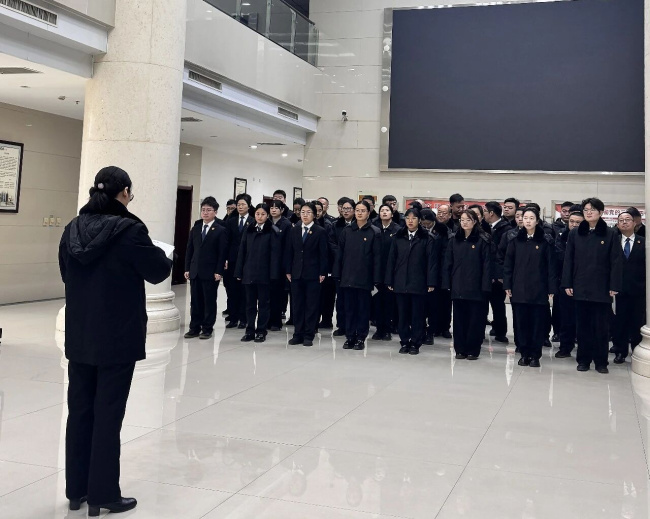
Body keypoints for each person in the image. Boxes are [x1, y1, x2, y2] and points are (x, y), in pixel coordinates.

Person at [58, 166, 172, 516]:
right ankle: (103, 494)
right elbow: (158, 271)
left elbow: (66, 274)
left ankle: (76, 490)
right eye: (130, 194)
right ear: (124, 193)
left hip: (81, 334)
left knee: (80, 411)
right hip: (117, 336)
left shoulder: (72, 229)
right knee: (108, 415)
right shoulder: (129, 230)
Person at [562, 197, 622, 373]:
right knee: (583, 327)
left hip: (602, 288)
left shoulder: (610, 234)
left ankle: (601, 362)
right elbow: (569, 260)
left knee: (601, 328)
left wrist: (614, 285)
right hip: (580, 286)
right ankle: (583, 360)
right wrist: (567, 283)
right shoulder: (575, 233)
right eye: (586, 210)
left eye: (592, 210)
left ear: (601, 212)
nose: (588, 212)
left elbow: (616, 261)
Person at [503, 207, 556, 368]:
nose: (527, 221)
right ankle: (524, 353)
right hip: (519, 289)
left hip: (539, 290)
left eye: (531, 218)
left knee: (537, 324)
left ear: (537, 221)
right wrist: (507, 284)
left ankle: (535, 355)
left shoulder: (545, 241)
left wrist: (551, 289)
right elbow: (508, 265)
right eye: (525, 218)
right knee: (521, 323)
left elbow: (551, 266)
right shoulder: (515, 240)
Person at [386, 208, 438, 355]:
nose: (410, 221)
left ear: (419, 220)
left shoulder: (427, 238)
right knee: (402, 315)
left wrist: (431, 282)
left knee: (417, 315)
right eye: (408, 218)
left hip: (418, 283)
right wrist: (390, 280)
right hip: (400, 281)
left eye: (414, 218)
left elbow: (432, 262)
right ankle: (404, 341)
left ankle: (415, 342)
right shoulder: (398, 237)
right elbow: (391, 260)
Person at [443, 210, 492, 359]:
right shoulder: (454, 239)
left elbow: (487, 266)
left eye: (468, 220)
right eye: (462, 220)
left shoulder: (483, 240)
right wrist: (447, 283)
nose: (464, 222)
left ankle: (472, 350)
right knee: (459, 320)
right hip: (458, 285)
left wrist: (485, 287)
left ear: (475, 221)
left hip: (476, 287)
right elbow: (448, 263)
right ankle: (460, 349)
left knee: (475, 320)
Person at [333, 200, 382, 350]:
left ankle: (361, 337)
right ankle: (350, 337)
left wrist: (376, 279)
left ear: (368, 213)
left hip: (365, 279)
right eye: (358, 210)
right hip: (347, 277)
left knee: (363, 310)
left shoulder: (374, 232)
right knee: (349, 309)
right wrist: (337, 274)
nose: (360, 213)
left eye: (363, 210)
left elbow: (377, 258)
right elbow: (340, 254)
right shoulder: (347, 231)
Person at [235, 203, 281, 343]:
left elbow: (275, 255)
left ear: (267, 215)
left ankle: (261, 330)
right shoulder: (249, 229)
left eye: (263, 214)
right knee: (249, 304)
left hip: (264, 274)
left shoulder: (272, 230)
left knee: (263, 304)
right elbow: (242, 251)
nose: (260, 217)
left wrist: (273, 274)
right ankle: (249, 330)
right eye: (257, 214)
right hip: (249, 272)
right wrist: (239, 271)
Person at [183, 196, 228, 340]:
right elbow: (190, 250)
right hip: (195, 270)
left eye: (209, 210)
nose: (205, 212)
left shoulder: (220, 230)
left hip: (211, 272)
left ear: (215, 212)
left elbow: (222, 253)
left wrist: (219, 271)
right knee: (195, 301)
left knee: (209, 301)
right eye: (203, 210)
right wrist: (187, 268)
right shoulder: (196, 229)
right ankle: (194, 328)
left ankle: (207, 328)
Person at [285, 202, 329, 346]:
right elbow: (289, 251)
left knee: (311, 305)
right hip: (296, 273)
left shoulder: (320, 231)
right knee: (297, 305)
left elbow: (324, 254)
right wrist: (288, 270)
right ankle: (297, 334)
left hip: (313, 274)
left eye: (308, 212)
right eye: (302, 212)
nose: (305, 215)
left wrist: (323, 272)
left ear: (314, 215)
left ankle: (309, 334)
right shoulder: (294, 230)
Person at [611, 211, 646, 364]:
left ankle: (637, 350)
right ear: (617, 224)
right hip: (618, 289)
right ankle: (620, 351)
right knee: (619, 322)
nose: (624, 222)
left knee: (637, 322)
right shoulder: (613, 242)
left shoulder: (643, 242)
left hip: (638, 290)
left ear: (634, 223)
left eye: (627, 219)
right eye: (621, 220)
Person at [554, 206, 584, 359]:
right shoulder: (561, 236)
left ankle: (583, 349)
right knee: (566, 318)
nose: (574, 225)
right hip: (564, 282)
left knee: (583, 319)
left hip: (584, 284)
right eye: (572, 221)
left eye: (578, 222)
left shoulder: (587, 237)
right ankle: (565, 347)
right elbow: (559, 257)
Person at [224, 193, 254, 329]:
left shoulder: (253, 221)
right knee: (232, 290)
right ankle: (233, 317)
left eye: (243, 204)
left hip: (247, 261)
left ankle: (244, 318)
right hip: (232, 260)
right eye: (239, 204)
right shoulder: (231, 221)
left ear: (249, 206)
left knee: (244, 291)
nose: (240, 207)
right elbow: (226, 241)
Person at [371, 203, 400, 341]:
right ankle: (379, 329)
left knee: (389, 302)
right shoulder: (375, 229)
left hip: (391, 271)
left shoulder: (398, 230)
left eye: (387, 210)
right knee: (377, 301)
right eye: (382, 210)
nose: (384, 212)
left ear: (392, 214)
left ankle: (388, 329)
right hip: (377, 270)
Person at [420, 209, 448, 344]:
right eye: (423, 224)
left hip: (437, 273)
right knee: (421, 306)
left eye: (428, 224)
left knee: (434, 305)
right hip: (420, 273)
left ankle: (432, 330)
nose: (426, 226)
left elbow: (444, 254)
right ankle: (421, 330)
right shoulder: (418, 231)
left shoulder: (442, 231)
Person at [484, 201, 511, 343]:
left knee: (498, 305)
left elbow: (502, 254)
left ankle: (501, 332)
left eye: (485, 211)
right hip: (486, 273)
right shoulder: (485, 227)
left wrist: (499, 275)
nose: (483, 214)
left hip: (497, 276)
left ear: (491, 213)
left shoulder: (505, 229)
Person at [332, 197, 356, 336]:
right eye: (343, 208)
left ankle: (352, 326)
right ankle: (341, 325)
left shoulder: (359, 225)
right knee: (340, 298)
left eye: (348, 208)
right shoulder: (335, 225)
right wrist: (342, 252)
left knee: (352, 299)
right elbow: (331, 243)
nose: (345, 211)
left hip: (355, 266)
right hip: (339, 265)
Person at [268, 200, 292, 331]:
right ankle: (267, 320)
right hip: (267, 264)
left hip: (280, 265)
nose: (273, 210)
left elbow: (288, 246)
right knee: (267, 295)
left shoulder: (286, 224)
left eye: (276, 208)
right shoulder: (267, 222)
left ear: (282, 210)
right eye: (271, 208)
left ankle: (276, 322)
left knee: (278, 295)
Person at [314, 200, 337, 329]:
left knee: (327, 295)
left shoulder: (328, 225)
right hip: (312, 266)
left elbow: (330, 246)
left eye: (319, 210)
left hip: (326, 265)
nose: (317, 213)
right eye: (315, 210)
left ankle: (327, 320)